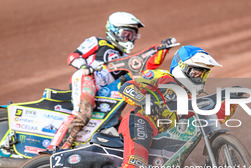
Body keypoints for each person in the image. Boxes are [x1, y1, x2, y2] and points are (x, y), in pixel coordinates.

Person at [84, 45, 237, 168]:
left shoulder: (190, 98)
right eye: (196, 71)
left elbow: (215, 113)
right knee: (136, 164)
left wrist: (230, 100)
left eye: (204, 73)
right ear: (182, 67)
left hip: (159, 138)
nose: (200, 76)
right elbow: (128, 87)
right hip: (140, 122)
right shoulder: (163, 77)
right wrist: (145, 101)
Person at [60, 11, 176, 149]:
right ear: (113, 30)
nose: (129, 39)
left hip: (104, 92)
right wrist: (84, 66)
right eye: (125, 34)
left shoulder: (124, 56)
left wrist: (162, 49)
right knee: (84, 111)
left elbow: (144, 64)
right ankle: (59, 146)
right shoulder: (97, 42)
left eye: (132, 35)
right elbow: (73, 56)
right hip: (87, 79)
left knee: (116, 123)